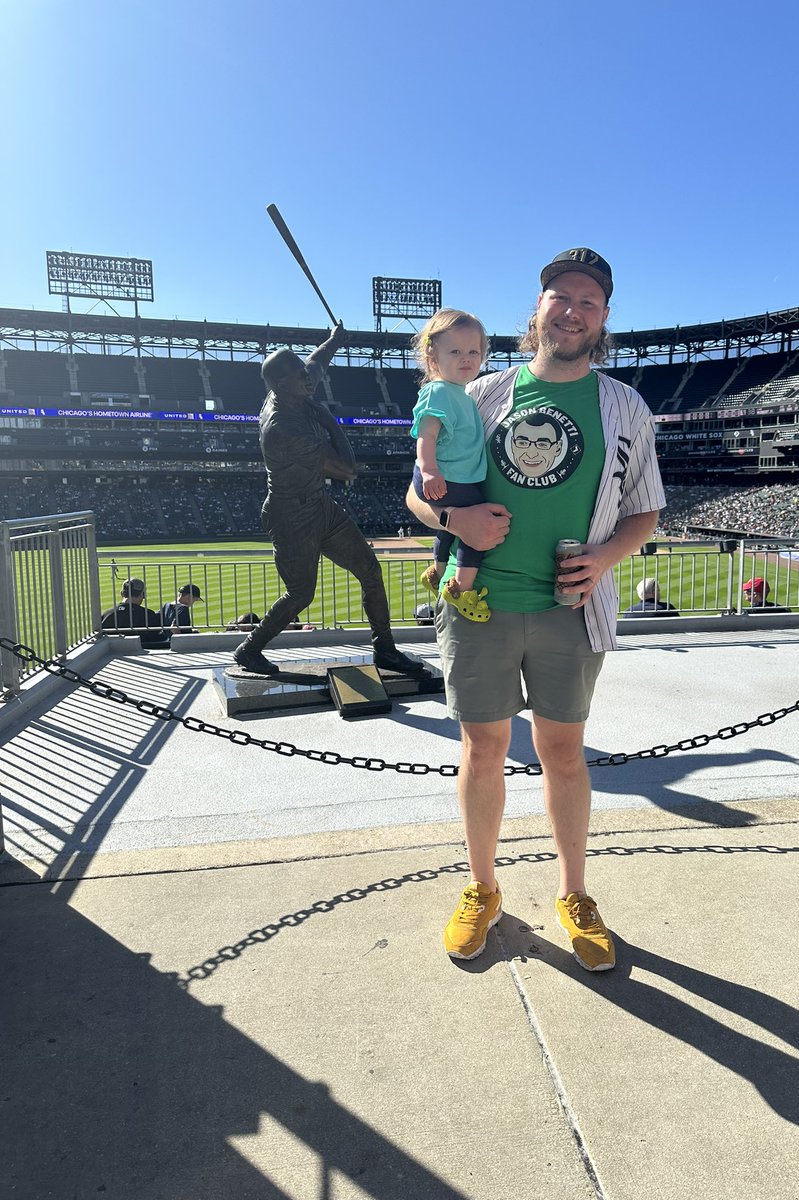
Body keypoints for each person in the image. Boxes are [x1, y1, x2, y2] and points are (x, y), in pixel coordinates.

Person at [407, 247, 666, 970]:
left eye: (588, 300)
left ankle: (575, 894)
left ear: (604, 317)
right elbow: (417, 494)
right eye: (560, 295)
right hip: (478, 603)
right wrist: (455, 526)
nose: (573, 309)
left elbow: (645, 511)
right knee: (484, 750)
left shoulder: (624, 405)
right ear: (539, 307)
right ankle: (482, 887)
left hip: (570, 609)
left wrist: (606, 557)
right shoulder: (480, 391)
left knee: (563, 756)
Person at [232, 325, 422, 677]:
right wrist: (329, 419)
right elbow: (347, 469)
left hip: (318, 505)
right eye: (301, 376)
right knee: (301, 594)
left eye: (306, 374)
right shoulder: (283, 426)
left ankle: (385, 650)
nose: (310, 379)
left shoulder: (292, 388)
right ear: (282, 385)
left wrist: (334, 341)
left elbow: (317, 363)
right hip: (290, 515)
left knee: (370, 570)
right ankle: (249, 649)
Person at [411, 309, 491, 623]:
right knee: (477, 528)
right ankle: (461, 589)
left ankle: (439, 571)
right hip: (446, 475)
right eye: (455, 351)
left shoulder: (460, 393)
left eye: (474, 351)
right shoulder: (440, 391)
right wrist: (429, 470)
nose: (466, 358)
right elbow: (426, 435)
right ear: (433, 356)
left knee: (452, 526)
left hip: (451, 475)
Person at [100, 578, 166, 648]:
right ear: (141, 595)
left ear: (122, 593)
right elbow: (158, 639)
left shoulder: (106, 614)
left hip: (113, 653)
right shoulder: (147, 615)